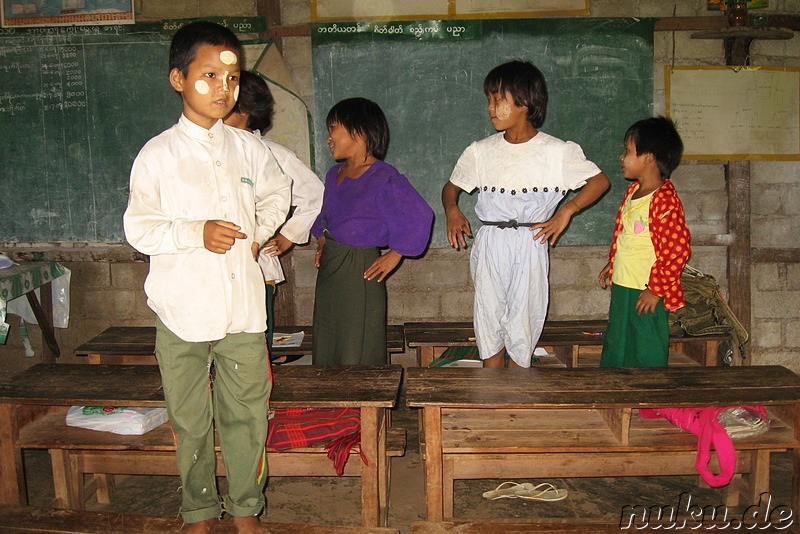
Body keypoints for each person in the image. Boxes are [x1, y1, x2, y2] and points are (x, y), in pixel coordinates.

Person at [123, 21, 291, 534]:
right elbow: (139, 227)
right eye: (210, 75)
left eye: (233, 77)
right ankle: (197, 512)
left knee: (247, 416)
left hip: (243, 309)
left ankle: (245, 510)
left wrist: (258, 234)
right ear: (178, 79)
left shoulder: (247, 148)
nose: (224, 88)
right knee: (191, 420)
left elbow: (278, 193)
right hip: (181, 310)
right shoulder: (158, 155)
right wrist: (194, 231)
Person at [443, 60, 610, 369]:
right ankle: (491, 387)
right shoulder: (480, 150)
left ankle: (519, 384)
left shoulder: (557, 152)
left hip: (531, 239)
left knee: (525, 313)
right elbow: (451, 187)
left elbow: (599, 182)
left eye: (498, 100)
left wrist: (567, 211)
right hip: (491, 240)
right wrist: (452, 209)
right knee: (488, 312)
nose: (490, 108)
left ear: (524, 103)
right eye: (489, 100)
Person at [311, 97, 433, 365]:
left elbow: (420, 215)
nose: (328, 137)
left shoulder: (383, 176)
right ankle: (334, 405)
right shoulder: (334, 175)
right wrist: (322, 241)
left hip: (360, 271)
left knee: (357, 345)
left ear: (359, 131)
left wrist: (396, 254)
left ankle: (361, 406)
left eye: (333, 128)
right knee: (328, 338)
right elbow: (326, 216)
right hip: (332, 271)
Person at [224, 70, 324, 354]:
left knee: (253, 351)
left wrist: (289, 236)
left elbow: (315, 194)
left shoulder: (271, 154)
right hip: (212, 271)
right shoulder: (204, 151)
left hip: (255, 268)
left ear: (243, 108)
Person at [598, 117, 690, 367]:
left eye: (628, 151)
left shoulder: (664, 200)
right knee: (618, 337)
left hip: (646, 288)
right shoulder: (633, 192)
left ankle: (650, 396)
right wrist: (613, 262)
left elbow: (677, 251)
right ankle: (615, 389)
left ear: (648, 158)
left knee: (646, 342)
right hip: (624, 283)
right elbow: (628, 236)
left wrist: (655, 290)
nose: (622, 157)